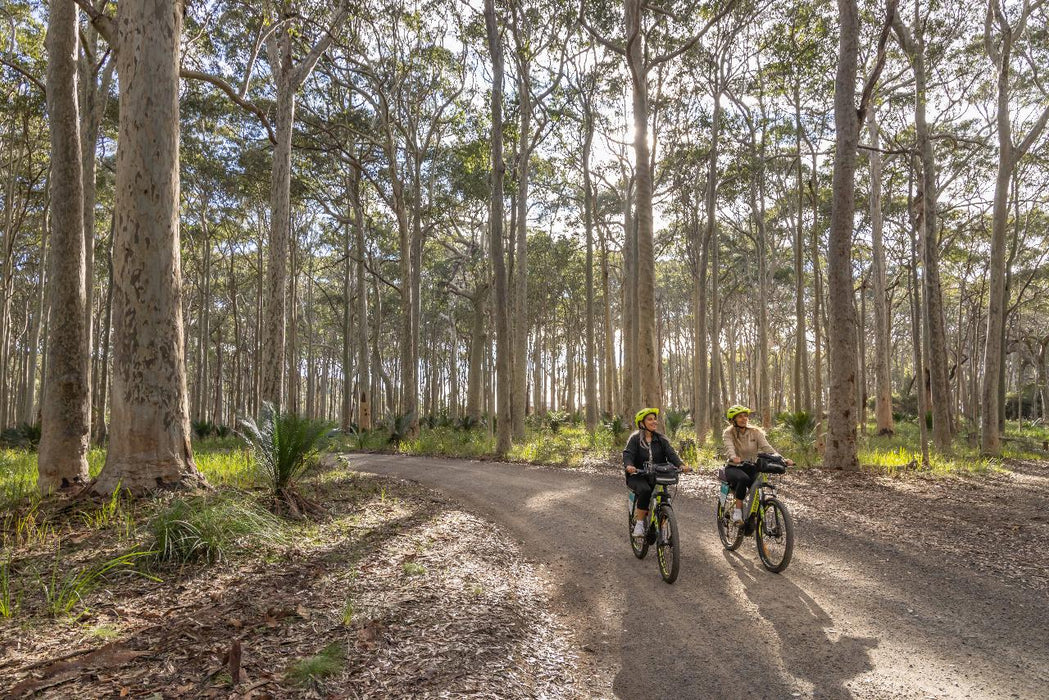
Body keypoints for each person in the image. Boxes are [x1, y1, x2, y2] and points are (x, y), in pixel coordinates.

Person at [623, 407, 691, 537]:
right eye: (650, 419)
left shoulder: (661, 439)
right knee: (645, 490)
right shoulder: (635, 439)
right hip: (638, 475)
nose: (654, 422)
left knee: (664, 495)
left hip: (658, 475)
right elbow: (628, 454)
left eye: (655, 419)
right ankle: (639, 524)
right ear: (642, 423)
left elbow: (671, 454)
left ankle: (664, 520)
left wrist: (681, 465)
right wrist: (629, 465)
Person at [722, 405, 793, 524]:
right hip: (734, 467)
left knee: (759, 484)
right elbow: (729, 447)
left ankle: (753, 516)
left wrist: (782, 459)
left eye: (745, 416)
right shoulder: (728, 433)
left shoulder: (755, 432)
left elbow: (768, 448)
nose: (744, 418)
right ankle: (738, 512)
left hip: (751, 466)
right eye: (740, 416)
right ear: (732, 420)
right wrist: (733, 457)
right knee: (743, 479)